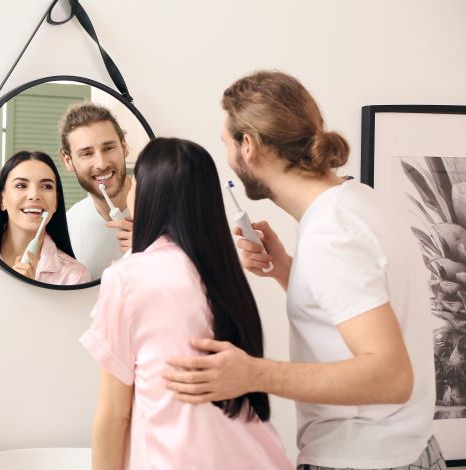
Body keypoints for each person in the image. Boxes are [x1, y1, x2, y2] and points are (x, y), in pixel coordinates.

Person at [163, 71, 446, 469]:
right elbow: (359, 310)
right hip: (407, 453)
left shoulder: (332, 232)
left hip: (363, 461)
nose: (227, 156)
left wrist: (252, 374)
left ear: (249, 145)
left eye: (226, 143)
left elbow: (391, 377)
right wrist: (288, 273)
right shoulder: (358, 201)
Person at [80, 137, 293, 470]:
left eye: (135, 183)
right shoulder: (223, 273)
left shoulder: (126, 278)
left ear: (150, 195)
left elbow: (114, 416)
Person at [0, 150, 90, 285]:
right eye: (21, 185)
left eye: (46, 186)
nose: (34, 195)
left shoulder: (75, 276)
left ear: (56, 203)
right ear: (2, 200)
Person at [59, 102, 134, 279]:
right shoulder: (68, 228)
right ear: (68, 160)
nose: (101, 164)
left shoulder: (170, 210)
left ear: (124, 146)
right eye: (86, 153)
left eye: (108, 148)